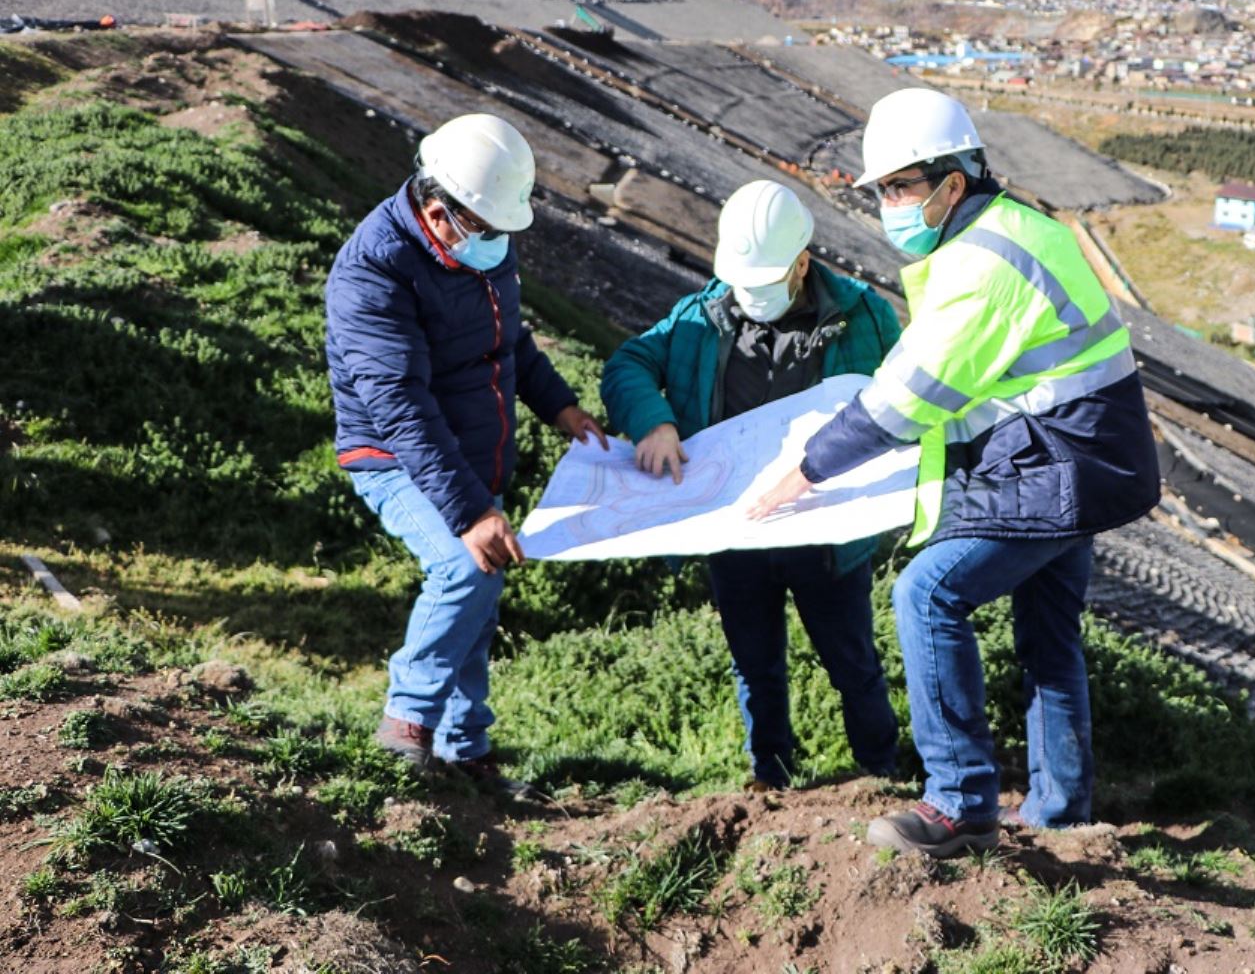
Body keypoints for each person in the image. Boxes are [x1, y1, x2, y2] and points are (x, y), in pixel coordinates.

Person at [751, 88, 1161, 855]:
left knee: (927, 591)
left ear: (955, 181)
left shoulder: (983, 261)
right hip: (1082, 453)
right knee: (1049, 635)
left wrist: (804, 471)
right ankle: (1061, 815)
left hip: (1059, 465)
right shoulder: (1016, 228)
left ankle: (960, 803)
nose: (892, 204)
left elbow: (911, 396)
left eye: (905, 186)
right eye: (884, 190)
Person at [325, 113, 605, 785]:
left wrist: (561, 407)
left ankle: (466, 751)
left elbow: (510, 342)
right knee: (464, 568)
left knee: (478, 600)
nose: (496, 244)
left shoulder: (482, 242)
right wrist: (470, 512)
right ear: (436, 207)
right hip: (396, 457)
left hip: (472, 456)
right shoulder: (373, 273)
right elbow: (400, 407)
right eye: (483, 228)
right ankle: (407, 725)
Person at [601, 179, 902, 790]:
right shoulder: (699, 318)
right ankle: (772, 775)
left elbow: (905, 395)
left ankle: (882, 769)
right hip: (736, 531)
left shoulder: (866, 317)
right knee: (755, 664)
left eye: (768, 283)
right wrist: (653, 422)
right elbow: (628, 364)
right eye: (746, 283)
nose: (753, 296)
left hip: (826, 532)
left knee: (853, 663)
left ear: (802, 262)